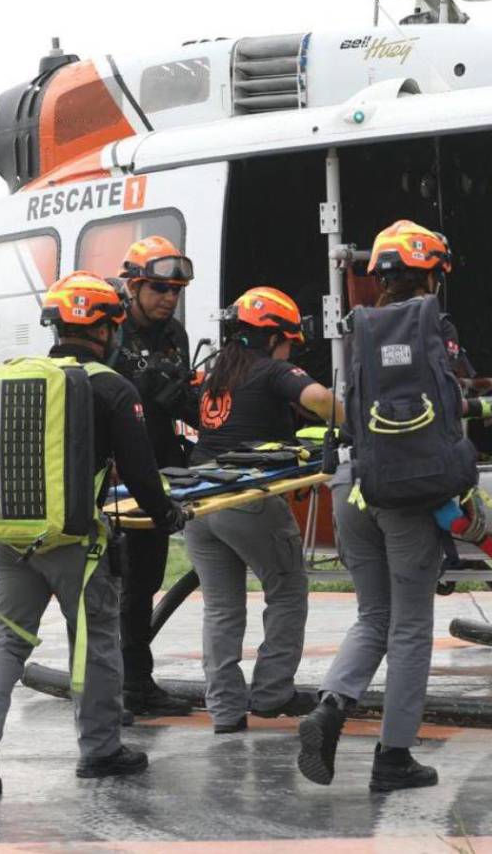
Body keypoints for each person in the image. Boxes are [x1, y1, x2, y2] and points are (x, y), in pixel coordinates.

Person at [296, 220, 492, 793]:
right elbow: (450, 403)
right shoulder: (431, 324)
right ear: (433, 274)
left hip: (350, 484)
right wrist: (491, 405)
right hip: (405, 496)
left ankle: (331, 708)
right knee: (412, 628)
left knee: (374, 616)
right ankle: (393, 758)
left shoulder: (359, 326)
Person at [0, 271, 189, 792]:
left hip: (4, 535)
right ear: (107, 330)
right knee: (94, 642)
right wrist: (167, 515)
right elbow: (139, 471)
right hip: (72, 544)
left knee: (4, 640)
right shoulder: (111, 386)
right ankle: (100, 749)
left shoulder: (11, 376)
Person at [183, 286, 342, 733]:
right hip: (246, 497)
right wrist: (359, 424)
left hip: (198, 498)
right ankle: (273, 692)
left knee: (221, 608)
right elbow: (320, 401)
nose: (291, 348)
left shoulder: (217, 374)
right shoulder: (273, 370)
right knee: (287, 589)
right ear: (274, 336)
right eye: (289, 340)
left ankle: (226, 711)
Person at [113, 236, 200, 717]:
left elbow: (181, 395)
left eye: (176, 290)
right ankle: (122, 682)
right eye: (160, 289)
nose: (170, 298)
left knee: (145, 580)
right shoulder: (110, 329)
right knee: (118, 584)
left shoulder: (176, 335)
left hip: (157, 466)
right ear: (134, 286)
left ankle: (137, 681)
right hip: (113, 472)